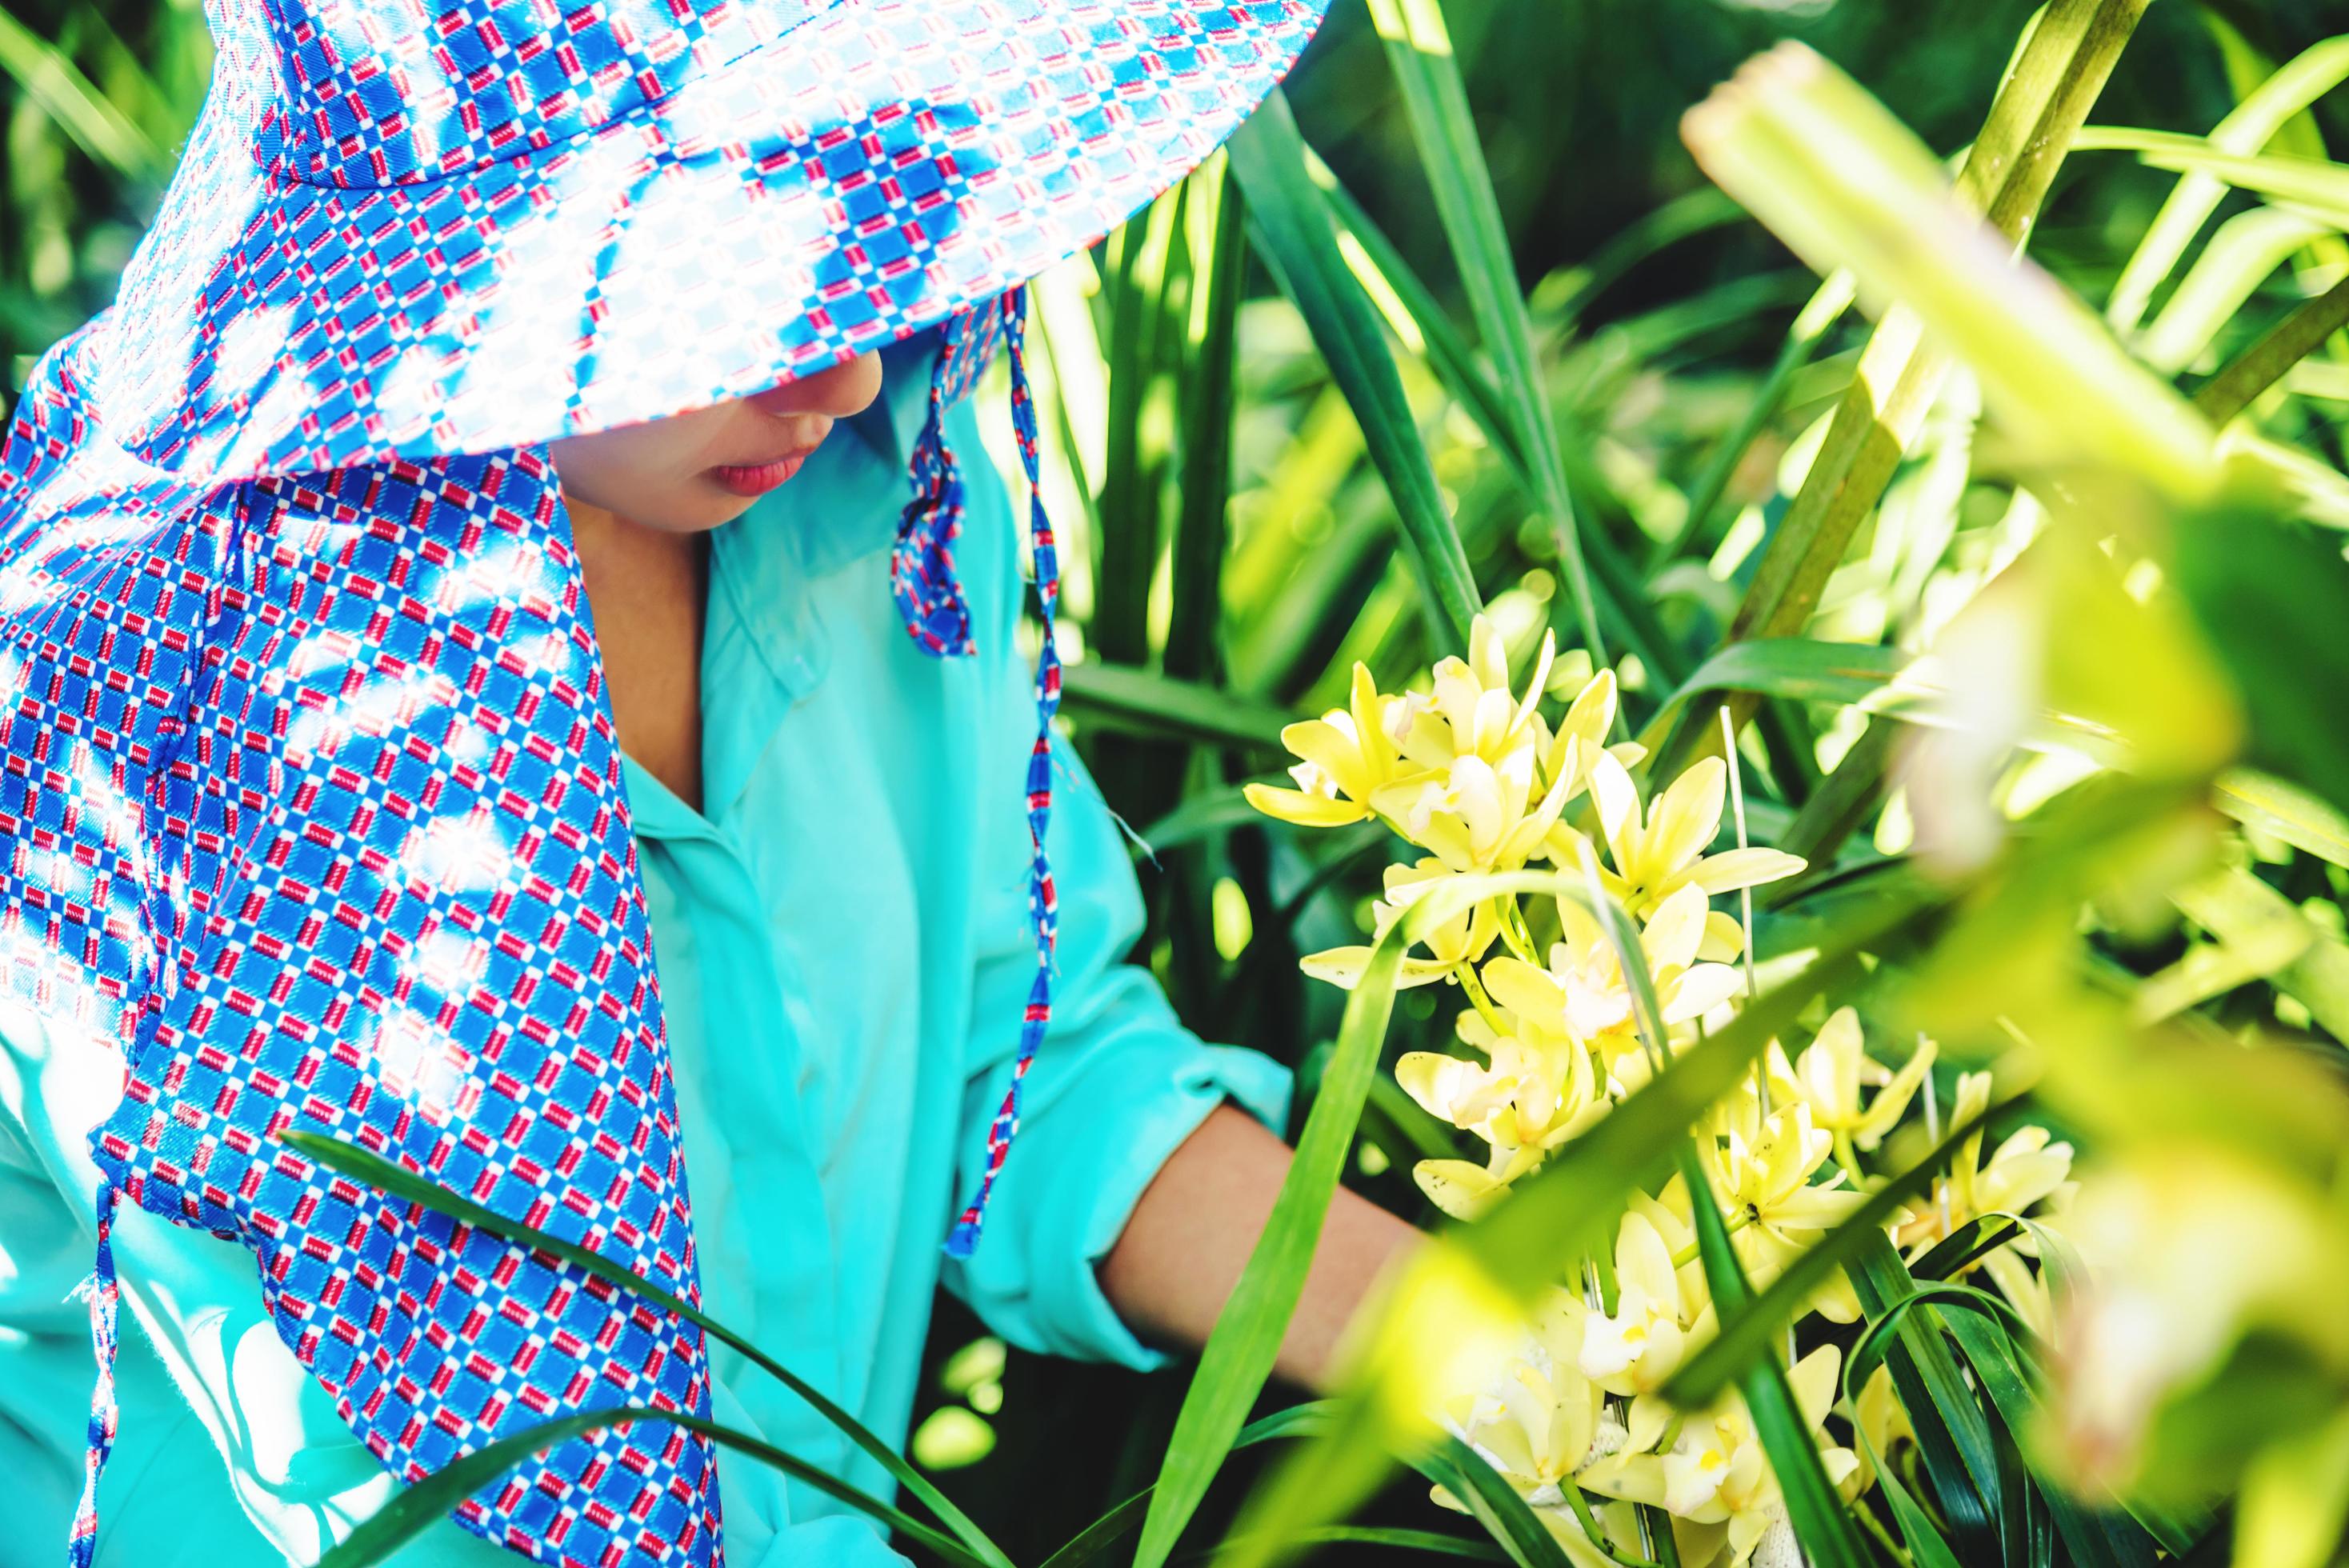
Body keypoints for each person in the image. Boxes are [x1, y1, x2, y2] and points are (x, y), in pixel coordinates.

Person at [0, 2, 1419, 1564]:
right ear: (463, 260)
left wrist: (1514, 1357)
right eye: (744, 280)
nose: (852, 374)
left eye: (881, 222)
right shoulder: (170, 713)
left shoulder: (884, 527)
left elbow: (1026, 1073)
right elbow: (386, 1480)